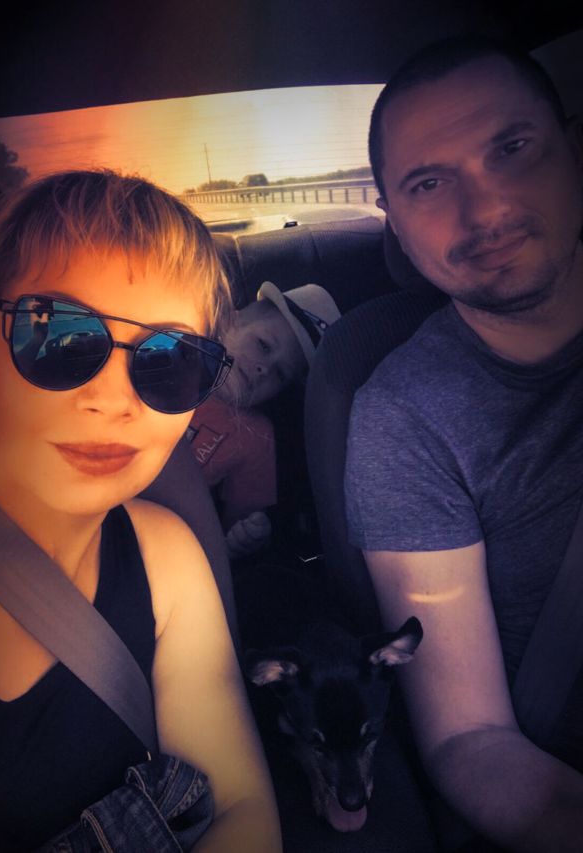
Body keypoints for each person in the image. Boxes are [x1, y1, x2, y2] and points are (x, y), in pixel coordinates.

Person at [0, 169, 282, 852]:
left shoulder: (168, 558)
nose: (113, 399)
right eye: (61, 338)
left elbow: (240, 808)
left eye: (170, 360)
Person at [344, 36, 583, 852]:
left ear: (573, 150)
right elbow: (469, 737)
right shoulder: (403, 417)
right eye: (428, 183)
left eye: (511, 148)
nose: (483, 211)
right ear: (396, 225)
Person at [187, 282, 340, 558]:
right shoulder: (172, 354)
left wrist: (242, 537)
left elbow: (236, 522)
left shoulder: (255, 438)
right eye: (263, 345)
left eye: (280, 374)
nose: (263, 368)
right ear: (229, 320)